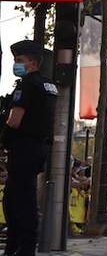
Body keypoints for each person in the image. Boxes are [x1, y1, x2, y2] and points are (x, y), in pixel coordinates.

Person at [1, 40, 57, 256]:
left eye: (19, 60)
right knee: (23, 197)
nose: (15, 64)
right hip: (38, 148)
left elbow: (15, 120)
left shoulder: (27, 84)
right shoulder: (48, 85)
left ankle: (20, 247)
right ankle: (20, 246)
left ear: (33, 63)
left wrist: (4, 141)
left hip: (23, 147)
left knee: (16, 200)